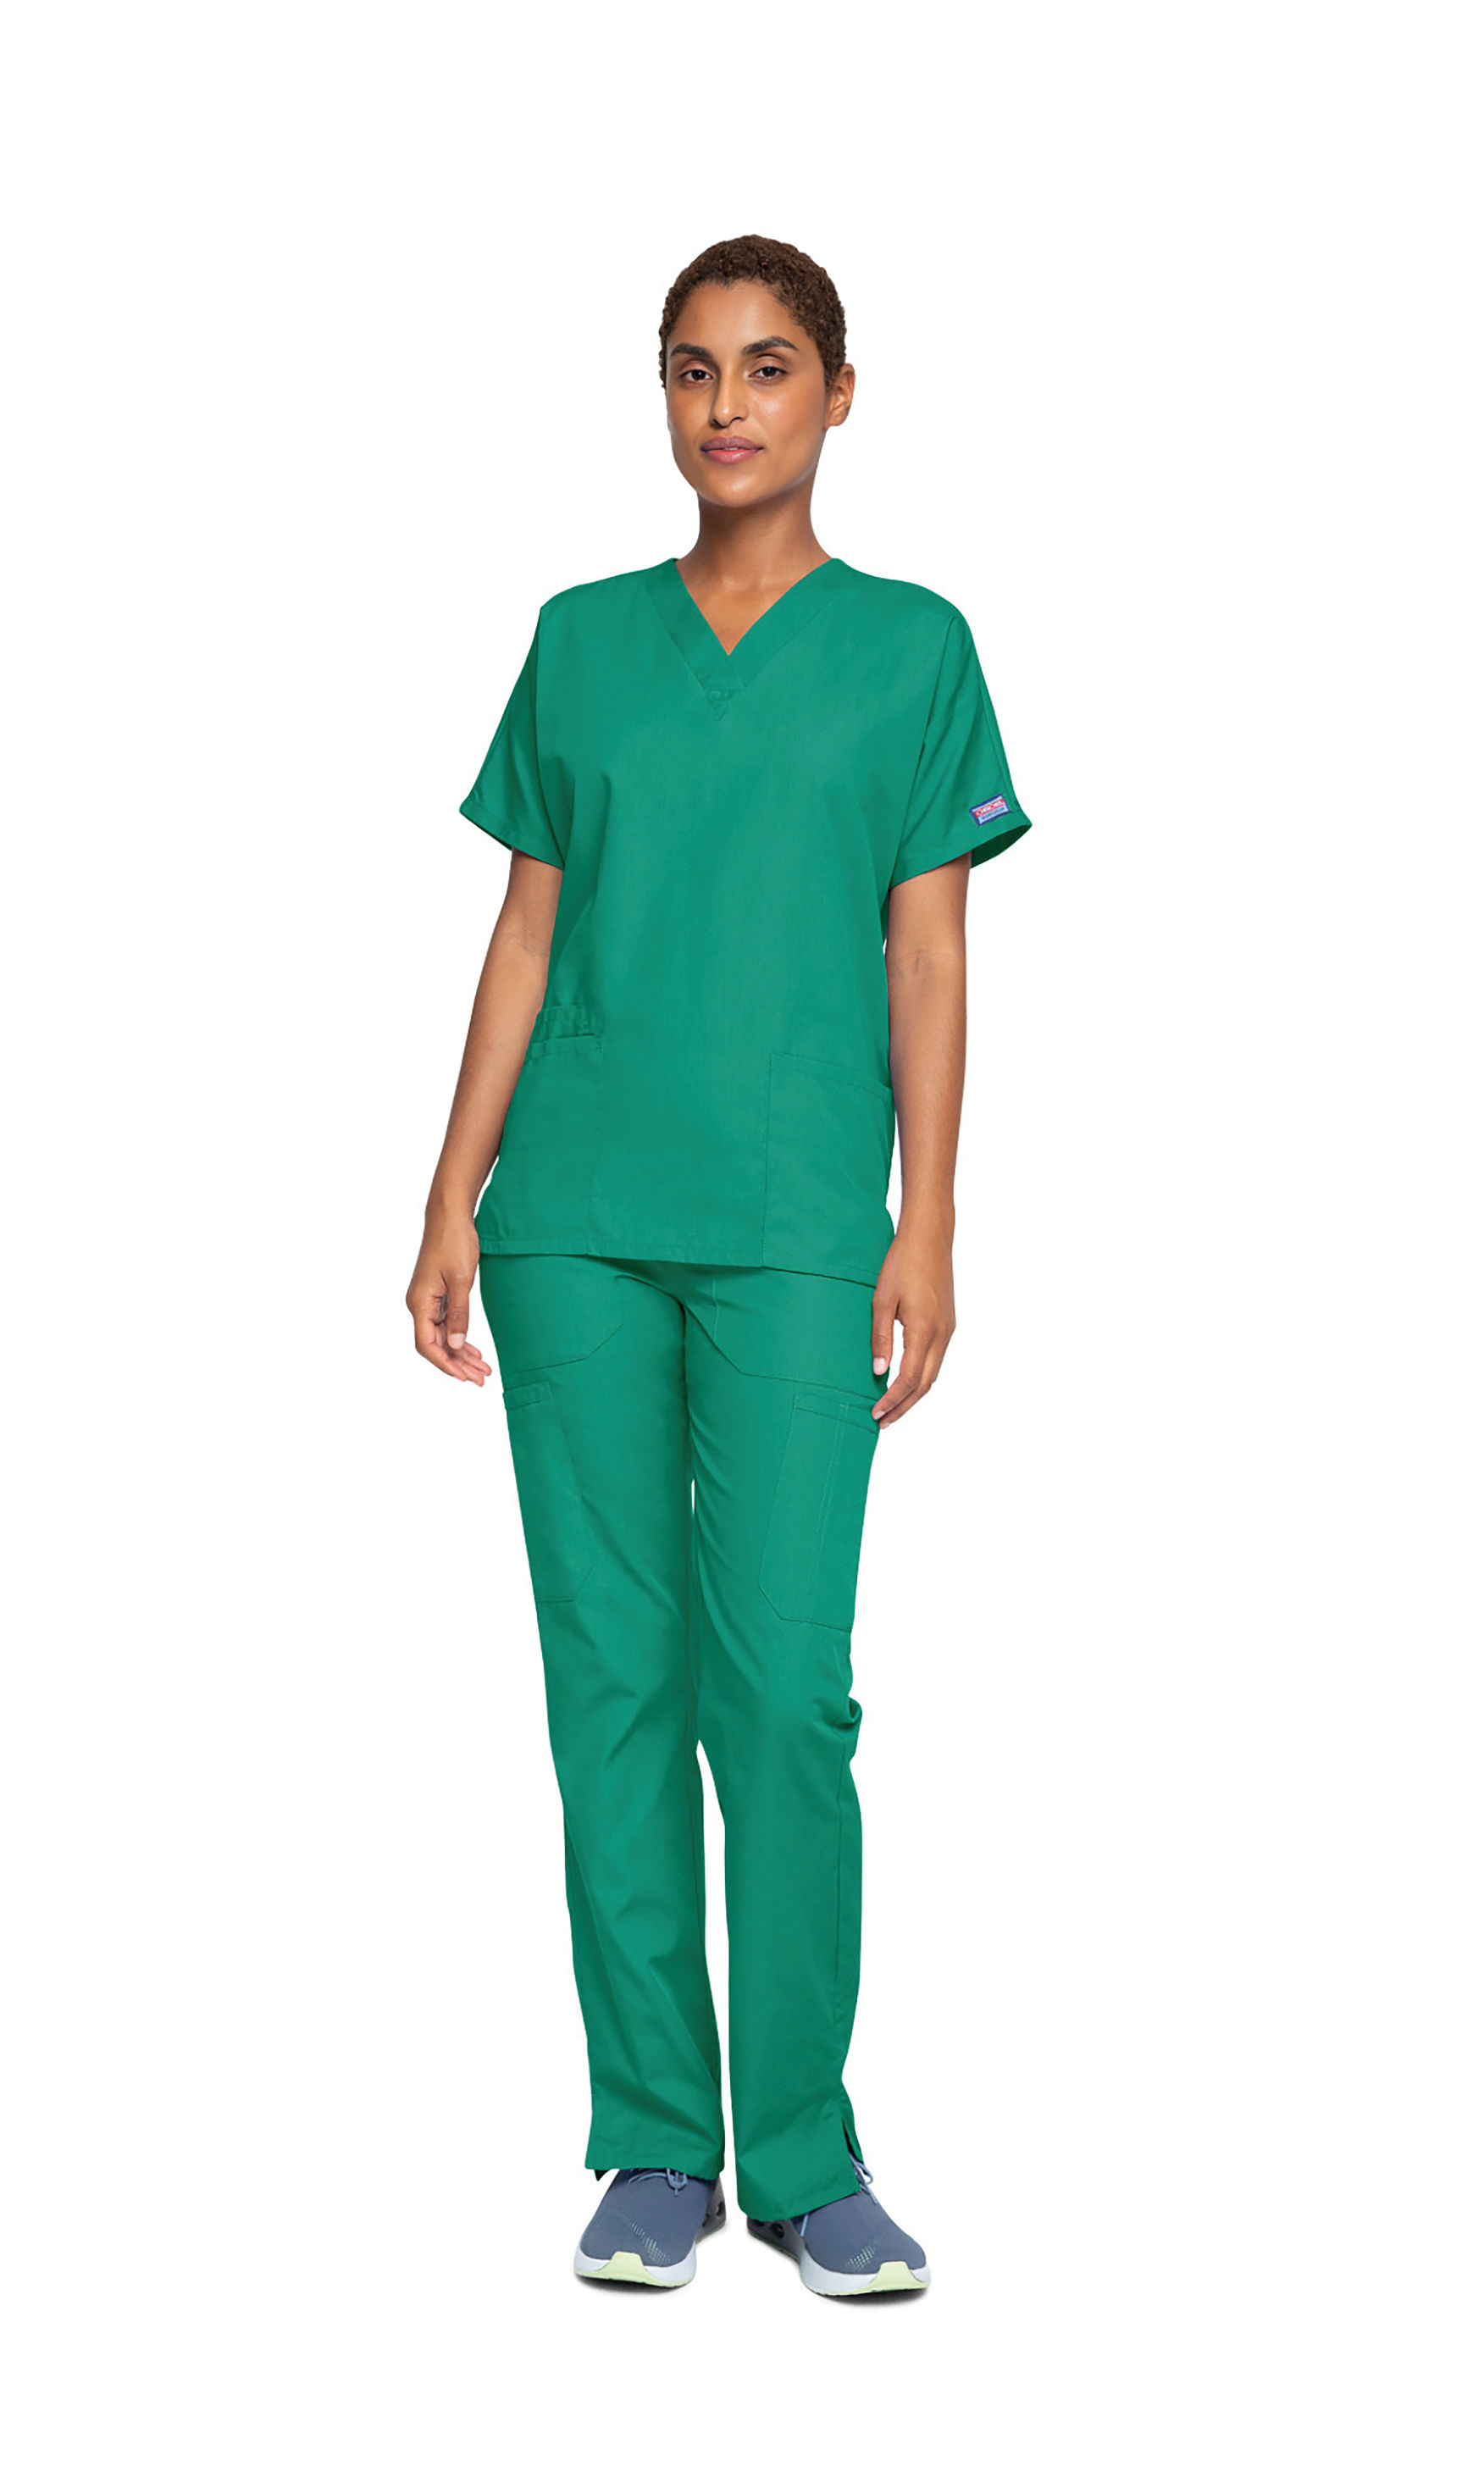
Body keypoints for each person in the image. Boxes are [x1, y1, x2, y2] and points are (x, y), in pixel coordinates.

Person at [405, 234, 1031, 2297]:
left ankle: (812, 2159)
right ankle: (658, 2142)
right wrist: (450, 1195)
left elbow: (928, 952)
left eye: (769, 367)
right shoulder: (581, 641)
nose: (727, 405)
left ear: (839, 393)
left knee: (782, 1697)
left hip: (791, 1230)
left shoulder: (914, 650)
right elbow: (527, 928)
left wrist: (929, 1218)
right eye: (692, 368)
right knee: (615, 1684)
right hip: (574, 1223)